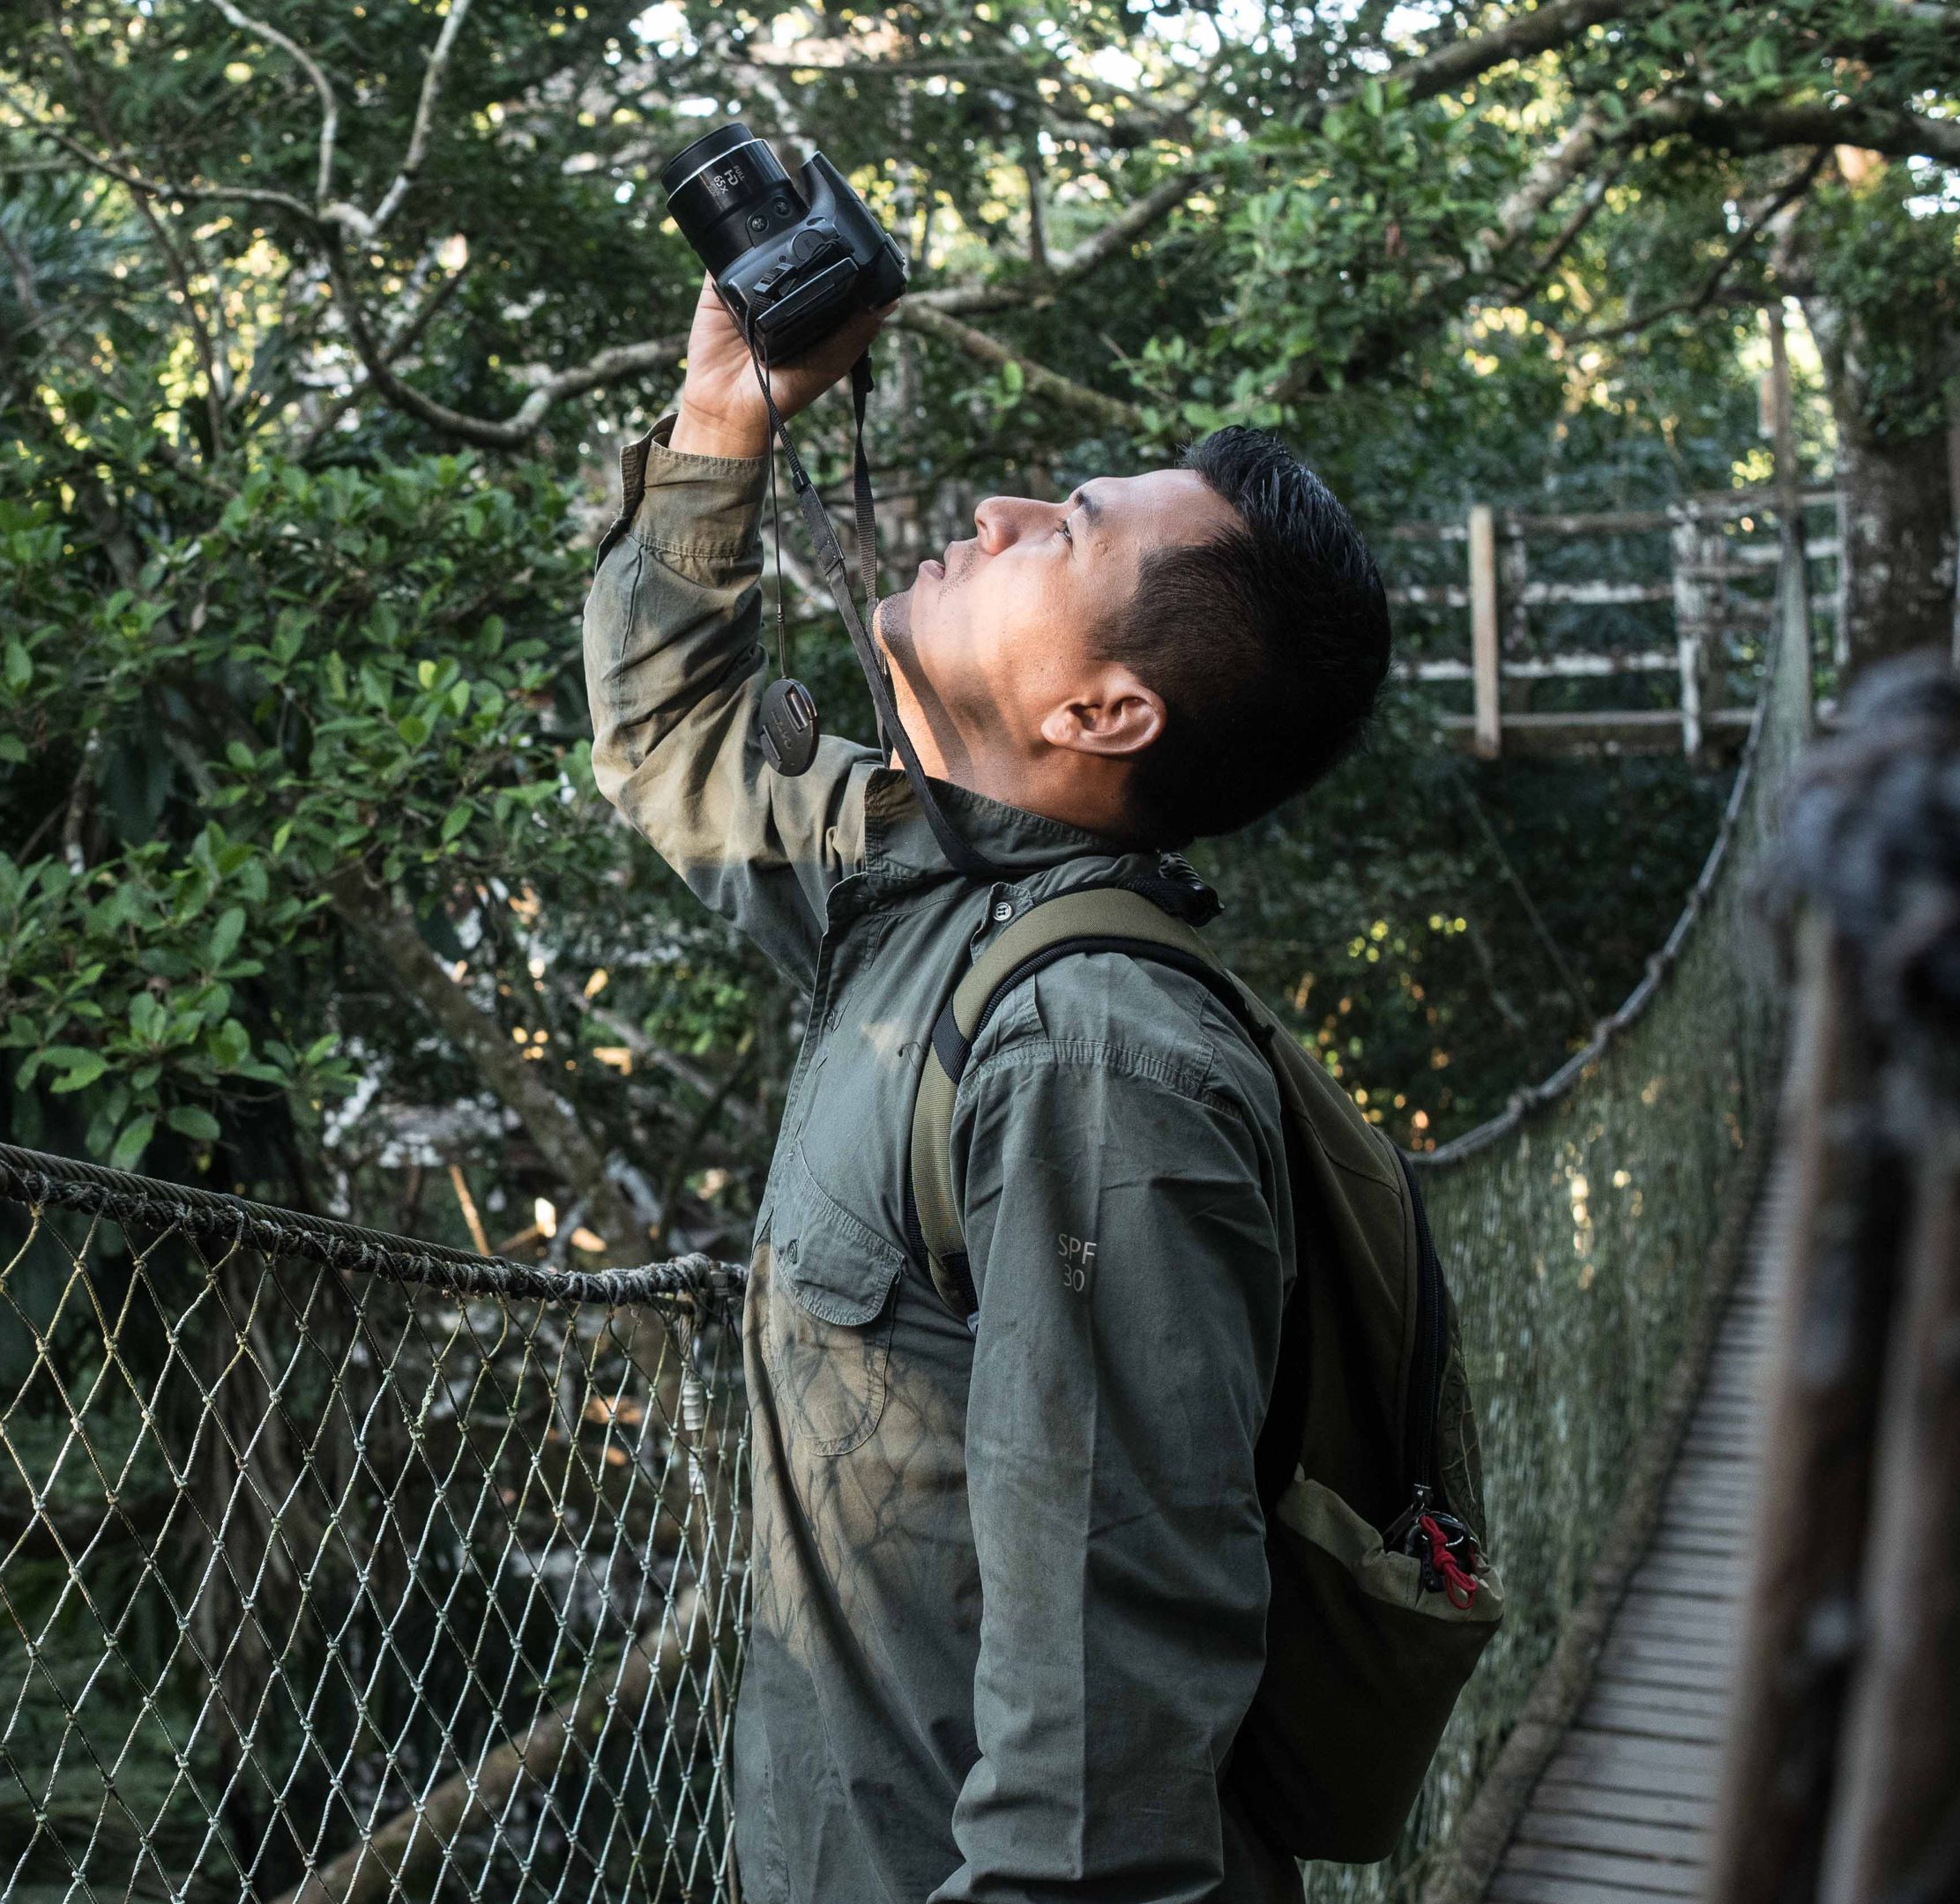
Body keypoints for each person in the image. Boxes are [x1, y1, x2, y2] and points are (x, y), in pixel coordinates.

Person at [585, 282, 1393, 1904]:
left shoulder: (1093, 1061)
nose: (1001, 511)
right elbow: (670, 738)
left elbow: (1102, 1777)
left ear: (1104, 712)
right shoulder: (932, 900)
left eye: (1066, 529)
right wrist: (725, 422)